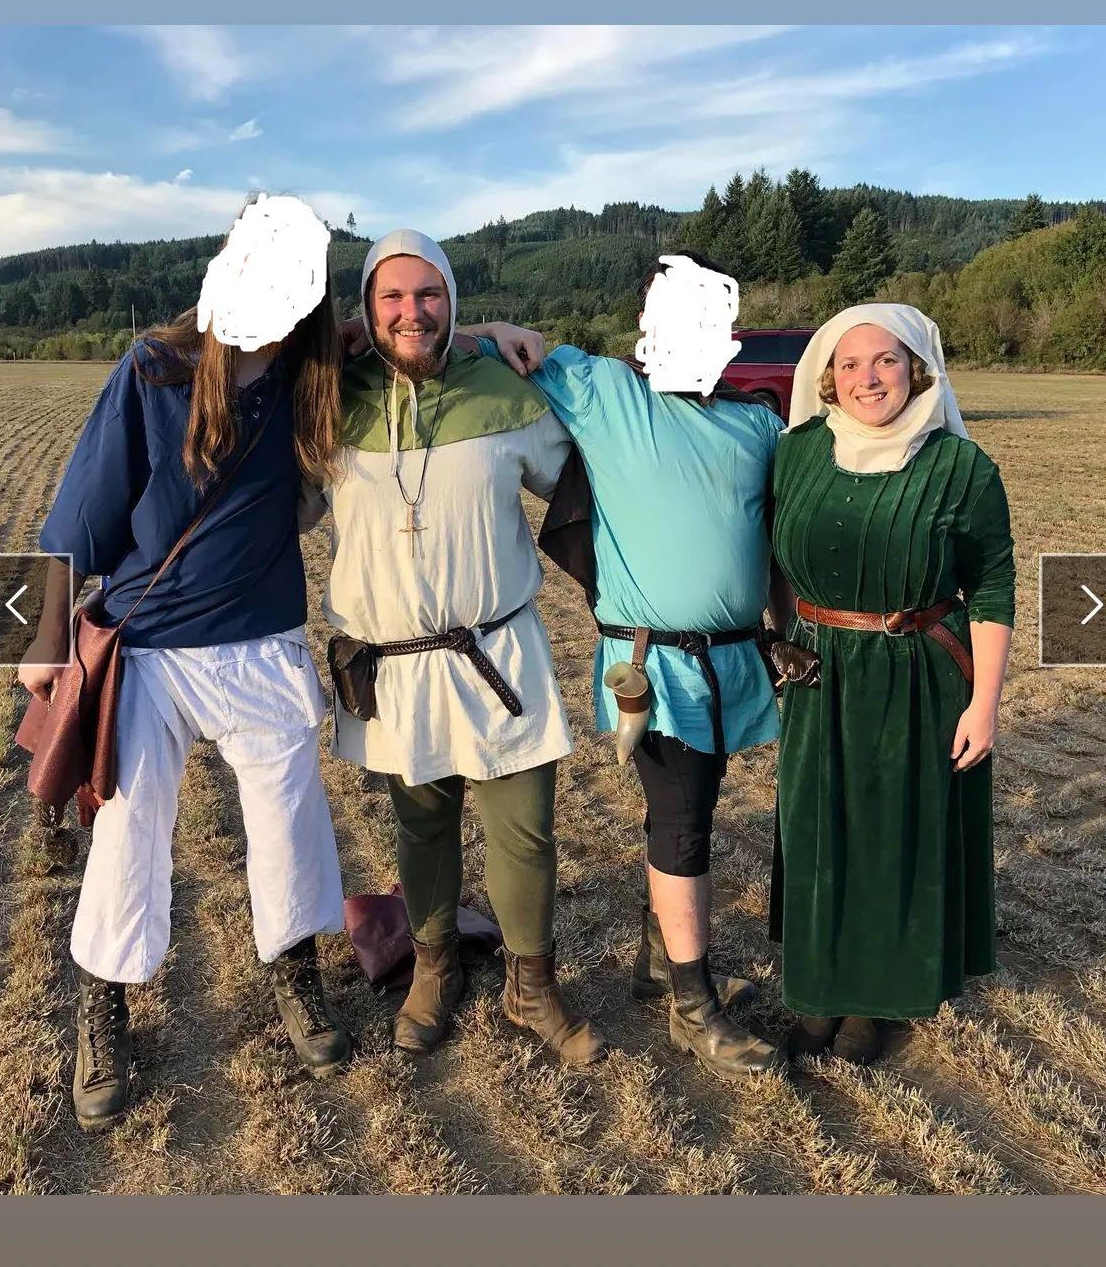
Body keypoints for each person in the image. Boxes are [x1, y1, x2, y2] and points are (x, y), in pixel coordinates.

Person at [17, 195, 351, 1132]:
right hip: (152, 647)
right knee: (128, 829)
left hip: (262, 640)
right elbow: (80, 509)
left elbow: (414, 327)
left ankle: (296, 975)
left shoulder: (314, 368)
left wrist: (493, 325)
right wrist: (29, 644)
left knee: (290, 822)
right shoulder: (154, 370)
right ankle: (104, 1005)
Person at [460, 250, 789, 1080]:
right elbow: (485, 349)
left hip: (732, 665)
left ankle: (655, 961)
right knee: (681, 823)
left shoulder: (755, 424)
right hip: (657, 673)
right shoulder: (605, 392)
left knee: (690, 810)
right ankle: (692, 1006)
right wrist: (493, 326)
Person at [313, 229, 604, 1066]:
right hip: (394, 664)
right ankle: (433, 967)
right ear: (367, 309)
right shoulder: (334, 398)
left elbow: (578, 483)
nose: (413, 311)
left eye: (428, 294)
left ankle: (532, 984)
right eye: (393, 297)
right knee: (423, 825)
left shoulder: (504, 391)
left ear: (452, 299)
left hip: (495, 653)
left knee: (525, 827)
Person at [768, 303, 1015, 1065]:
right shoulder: (797, 452)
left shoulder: (961, 469)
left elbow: (995, 586)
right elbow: (772, 555)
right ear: (828, 380)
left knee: (890, 834)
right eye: (849, 363)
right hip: (819, 673)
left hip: (917, 672)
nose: (868, 377)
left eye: (885, 360)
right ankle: (818, 989)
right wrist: (781, 635)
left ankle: (875, 1002)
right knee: (818, 830)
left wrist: (984, 702)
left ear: (918, 368)